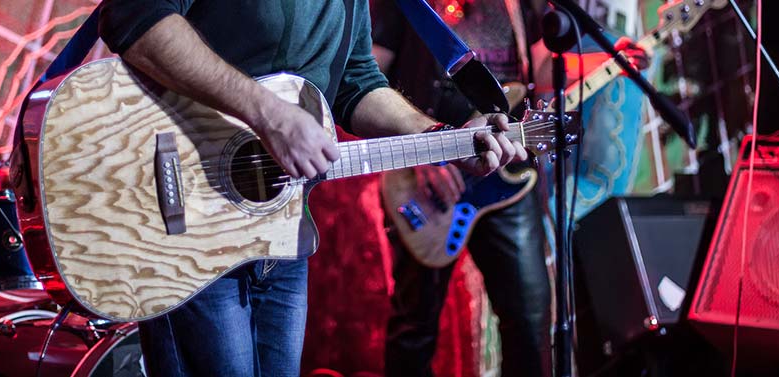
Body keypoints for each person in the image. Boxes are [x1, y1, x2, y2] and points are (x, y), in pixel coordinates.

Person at [96, 0, 528, 375]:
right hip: (188, 215)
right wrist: (269, 114)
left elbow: (357, 82)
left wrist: (440, 137)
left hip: (280, 230)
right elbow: (135, 16)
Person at [370, 0, 650, 375]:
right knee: (415, 326)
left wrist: (613, 62)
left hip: (505, 174)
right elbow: (368, 76)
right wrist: (418, 152)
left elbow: (542, 68)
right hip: (428, 174)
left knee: (531, 318)